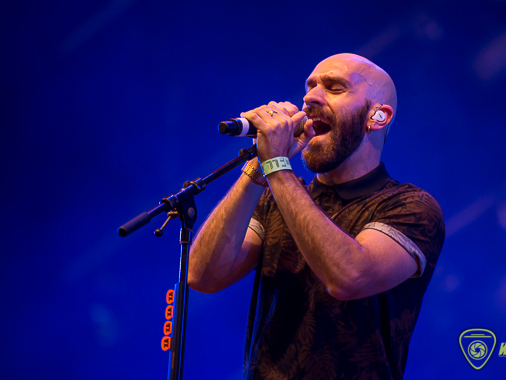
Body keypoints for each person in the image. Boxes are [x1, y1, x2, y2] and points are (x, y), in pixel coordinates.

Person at [188, 53, 445, 380]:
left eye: (334, 88)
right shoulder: (276, 196)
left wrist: (276, 166)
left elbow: (348, 277)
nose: (310, 98)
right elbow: (203, 276)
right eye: (309, 88)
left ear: (378, 116)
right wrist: (258, 165)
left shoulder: (410, 206)